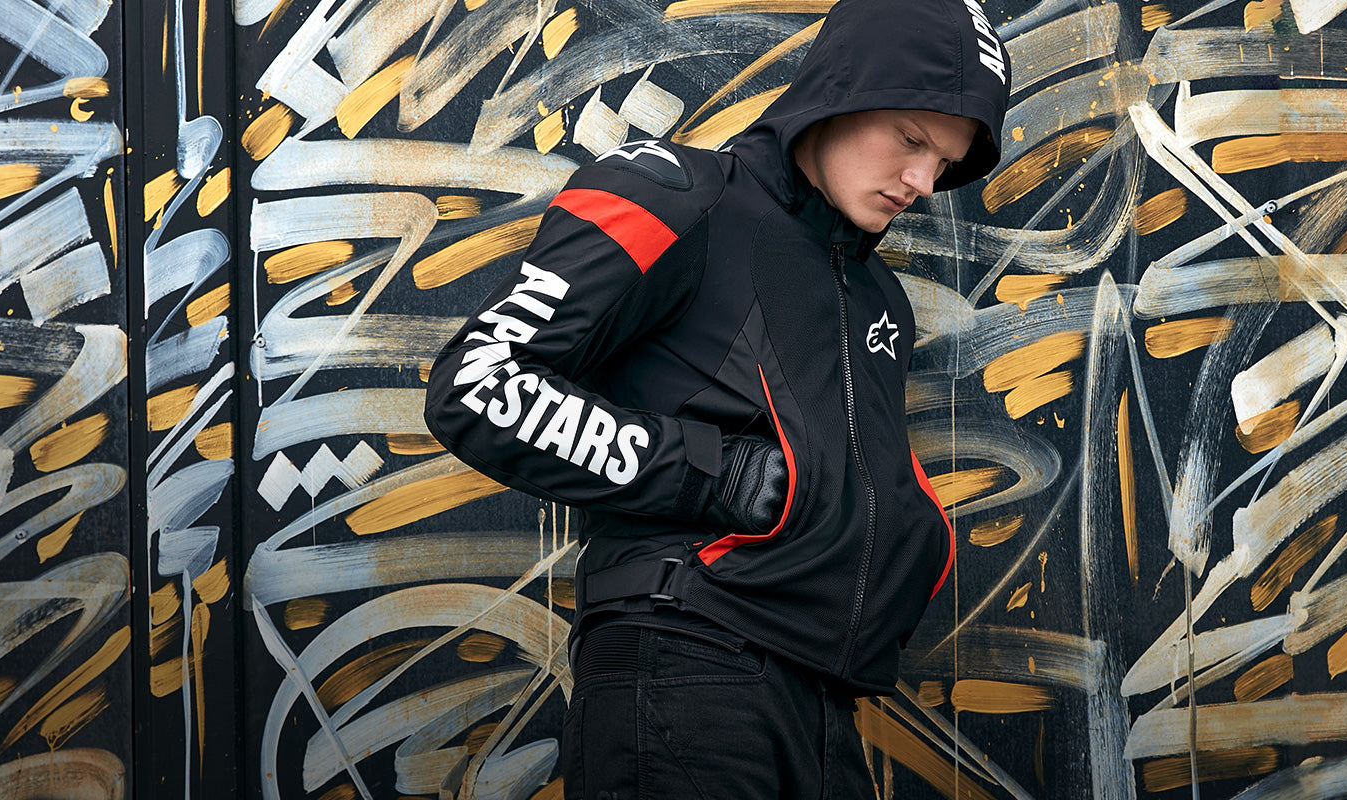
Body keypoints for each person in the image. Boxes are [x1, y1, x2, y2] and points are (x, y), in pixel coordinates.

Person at [424, 0, 1010, 794]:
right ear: (839, 91)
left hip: (824, 704)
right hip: (682, 665)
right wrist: (716, 474)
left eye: (944, 161)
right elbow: (476, 383)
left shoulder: (880, 301)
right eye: (910, 138)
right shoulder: (674, 197)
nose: (922, 181)